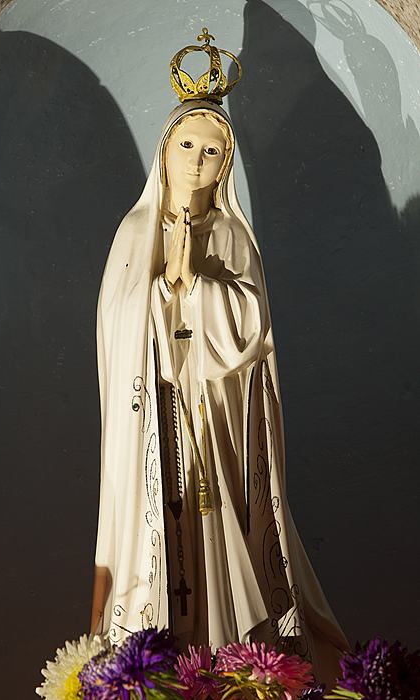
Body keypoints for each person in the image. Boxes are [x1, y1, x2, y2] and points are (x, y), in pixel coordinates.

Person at [91, 36, 349, 688]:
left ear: (226, 163)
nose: (197, 161)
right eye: (186, 145)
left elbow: (251, 330)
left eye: (212, 151)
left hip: (221, 423)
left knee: (221, 539)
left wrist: (195, 285)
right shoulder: (134, 233)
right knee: (164, 548)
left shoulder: (234, 236)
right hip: (157, 420)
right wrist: (160, 289)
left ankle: (238, 668)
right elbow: (117, 327)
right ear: (164, 151)